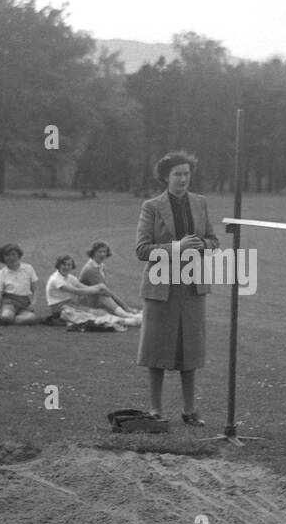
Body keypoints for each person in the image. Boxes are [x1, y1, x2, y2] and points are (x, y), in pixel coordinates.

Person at [136, 151, 219, 425]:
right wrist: (176, 247)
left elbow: (213, 239)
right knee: (157, 350)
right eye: (177, 174)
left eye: (186, 173)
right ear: (165, 177)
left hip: (192, 287)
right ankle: (155, 410)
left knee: (190, 350)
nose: (183, 179)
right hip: (161, 287)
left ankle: (189, 410)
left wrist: (203, 245)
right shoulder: (152, 206)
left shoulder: (200, 203)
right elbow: (142, 249)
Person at [45, 255, 141, 328]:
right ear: (58, 265)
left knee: (99, 311)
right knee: (91, 317)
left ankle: (128, 315)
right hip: (61, 309)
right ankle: (129, 319)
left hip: (71, 305)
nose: (66, 267)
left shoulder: (70, 278)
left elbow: (83, 287)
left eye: (69, 265)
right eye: (64, 264)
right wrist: (98, 289)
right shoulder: (56, 279)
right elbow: (77, 291)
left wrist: (99, 288)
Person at [79, 241, 141, 317]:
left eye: (104, 252)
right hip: (86, 301)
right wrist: (125, 306)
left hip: (93, 297)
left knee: (105, 296)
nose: (102, 254)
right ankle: (129, 315)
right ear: (93, 253)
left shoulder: (101, 266)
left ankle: (127, 314)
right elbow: (104, 290)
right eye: (99, 252)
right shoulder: (90, 269)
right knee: (104, 296)